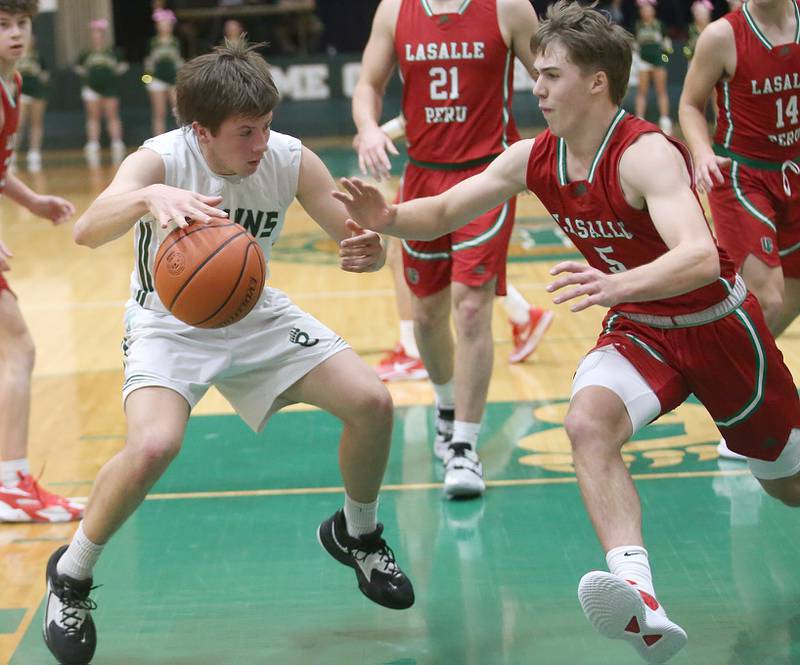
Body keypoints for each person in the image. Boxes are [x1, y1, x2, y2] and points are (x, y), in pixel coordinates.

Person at [333, 3, 800, 662]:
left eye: (551, 76)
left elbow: (698, 255)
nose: (537, 87)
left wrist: (617, 284)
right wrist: (385, 217)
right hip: (642, 329)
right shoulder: (533, 157)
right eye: (538, 75)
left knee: (788, 485)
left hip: (717, 327)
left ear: (597, 82)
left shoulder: (645, 155)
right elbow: (441, 209)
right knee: (587, 423)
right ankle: (642, 597)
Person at [41, 38, 414, 665]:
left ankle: (359, 532)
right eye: (246, 132)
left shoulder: (290, 160)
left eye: (266, 126)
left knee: (373, 402)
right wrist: (147, 197)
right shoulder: (160, 157)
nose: (261, 142)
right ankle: (72, 575)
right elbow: (85, 230)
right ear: (200, 131)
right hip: (167, 324)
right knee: (155, 445)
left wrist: (369, 250)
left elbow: (356, 237)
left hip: (253, 312)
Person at [352, 0, 552, 499]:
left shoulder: (507, 7)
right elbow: (368, 84)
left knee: (470, 306)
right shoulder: (395, 11)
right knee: (426, 315)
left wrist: (557, 141)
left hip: (488, 175)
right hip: (421, 175)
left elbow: (550, 73)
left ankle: (464, 445)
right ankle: (445, 409)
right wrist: (368, 127)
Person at [678, 0, 800, 460]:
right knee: (766, 295)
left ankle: (728, 377)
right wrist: (702, 154)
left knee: (794, 291)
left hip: (794, 171)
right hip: (741, 174)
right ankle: (747, 413)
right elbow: (690, 104)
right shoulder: (722, 36)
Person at [0, 0, 81, 523]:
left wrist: (32, 201)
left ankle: (10, 478)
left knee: (15, 348)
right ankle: (9, 482)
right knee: (18, 347)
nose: (16, 34)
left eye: (22, 24)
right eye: (3, 25)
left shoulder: (14, 84)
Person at [74, 18, 128, 167]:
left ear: (104, 36)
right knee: (93, 117)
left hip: (110, 88)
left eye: (99, 33)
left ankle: (117, 143)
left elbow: (122, 67)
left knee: (112, 115)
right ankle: (93, 143)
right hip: (91, 88)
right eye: (94, 33)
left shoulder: (113, 52)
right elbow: (79, 69)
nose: (96, 36)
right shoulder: (86, 54)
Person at [633, 0, 673, 134]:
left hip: (658, 63)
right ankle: (639, 119)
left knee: (661, 90)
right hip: (643, 63)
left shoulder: (660, 25)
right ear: (640, 12)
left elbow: (667, 46)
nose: (646, 11)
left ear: (653, 11)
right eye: (643, 9)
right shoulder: (637, 26)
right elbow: (634, 44)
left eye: (649, 9)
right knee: (642, 91)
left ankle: (665, 120)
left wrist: (664, 59)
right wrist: (638, 59)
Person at [144, 7, 183, 136]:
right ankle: (157, 140)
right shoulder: (152, 42)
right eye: (162, 24)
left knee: (178, 111)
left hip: (174, 79)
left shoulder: (176, 42)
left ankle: (183, 139)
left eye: (167, 24)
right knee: (159, 112)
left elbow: (181, 61)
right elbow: (147, 63)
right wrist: (148, 79)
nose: (165, 27)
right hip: (157, 79)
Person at [16, 34, 47, 172]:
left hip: (37, 93)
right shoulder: (15, 56)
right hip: (21, 93)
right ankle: (11, 155)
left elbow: (45, 75)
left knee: (36, 123)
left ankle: (34, 153)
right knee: (18, 124)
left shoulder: (38, 58)